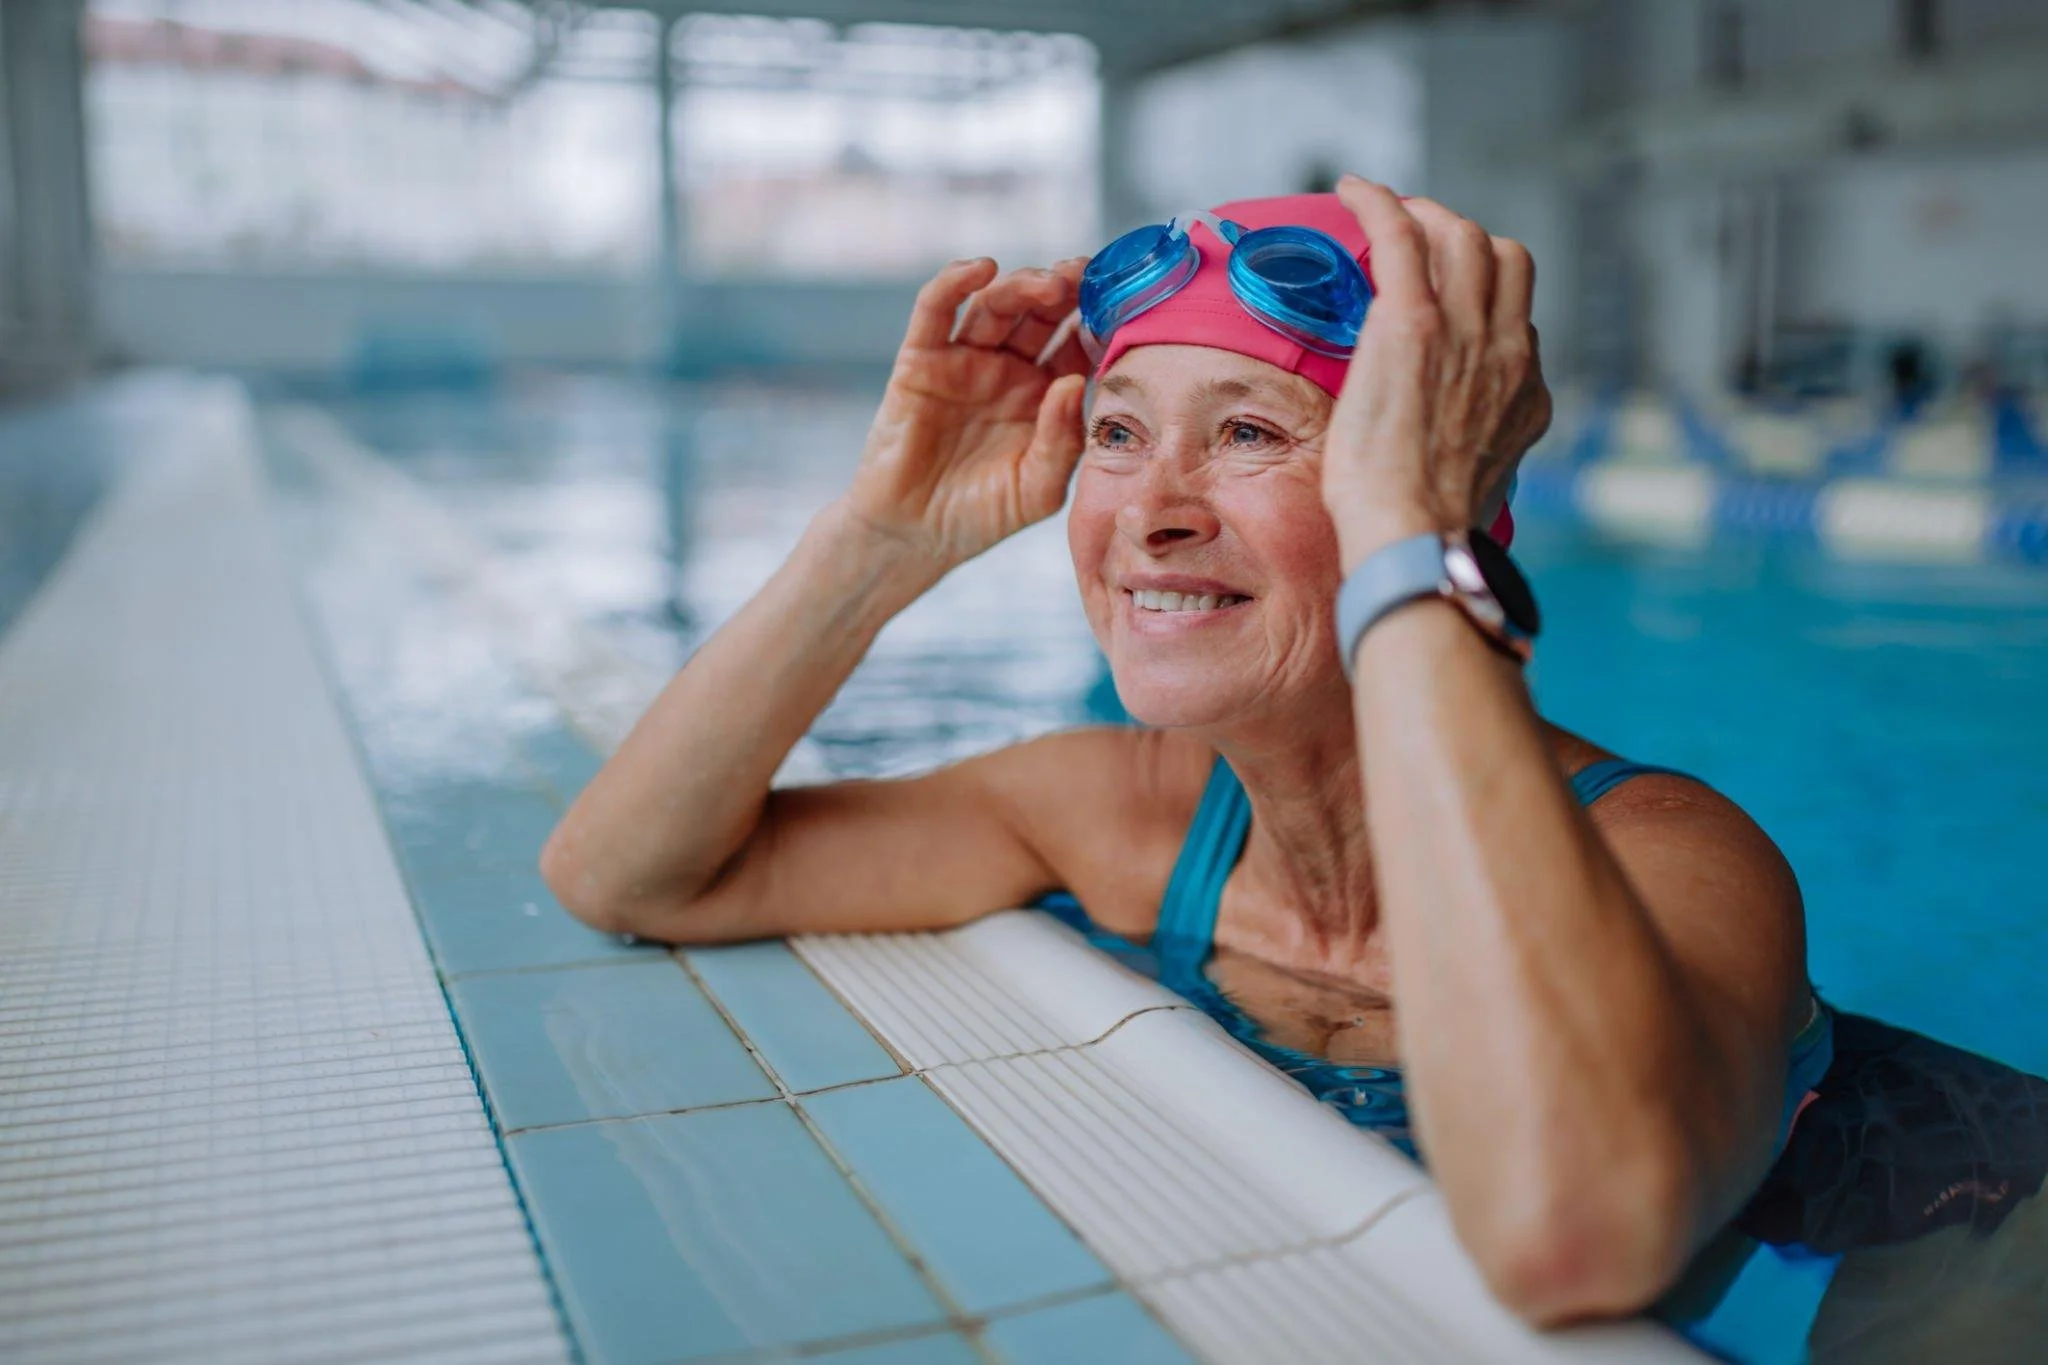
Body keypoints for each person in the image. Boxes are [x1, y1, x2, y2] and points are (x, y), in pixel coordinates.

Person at [540, 178, 1829, 1326]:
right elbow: (634, 875)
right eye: (1119, 433)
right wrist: (885, 538)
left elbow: (1574, 1238)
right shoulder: (1124, 814)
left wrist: (1410, 544)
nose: (1151, 515)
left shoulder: (1671, 859)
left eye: (1253, 434)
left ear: (1439, 504)